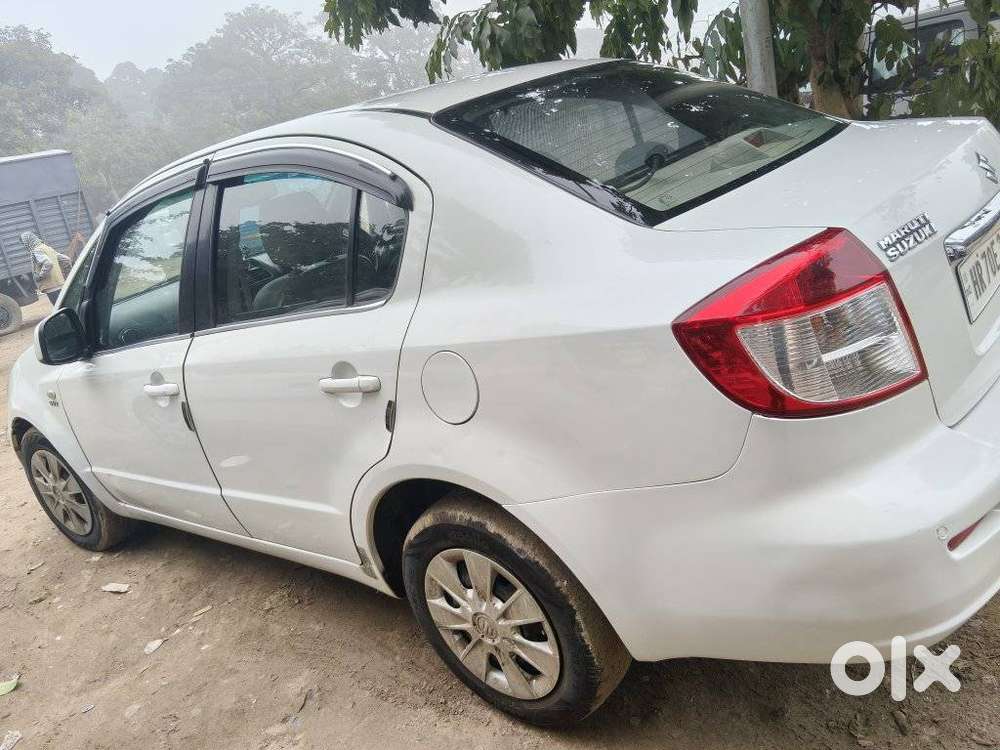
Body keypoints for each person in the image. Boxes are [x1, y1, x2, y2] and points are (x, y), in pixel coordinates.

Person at [20, 232, 71, 305]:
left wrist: (40, 276)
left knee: (60, 309)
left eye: (24, 243)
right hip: (61, 284)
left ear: (28, 241)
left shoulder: (36, 251)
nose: (24, 245)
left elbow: (48, 263)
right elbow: (66, 259)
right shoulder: (47, 248)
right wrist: (66, 274)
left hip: (51, 288)